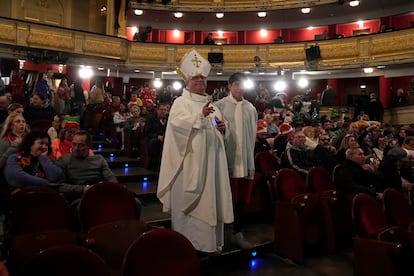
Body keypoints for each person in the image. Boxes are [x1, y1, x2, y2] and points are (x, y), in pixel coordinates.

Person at [157, 49, 233, 254]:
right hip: (189, 164)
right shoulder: (180, 103)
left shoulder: (213, 104)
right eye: (196, 77)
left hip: (212, 163)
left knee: (210, 204)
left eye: (203, 78)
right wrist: (199, 116)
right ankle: (186, 246)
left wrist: (224, 130)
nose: (200, 81)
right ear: (187, 81)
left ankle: (209, 245)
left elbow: (220, 128)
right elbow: (177, 127)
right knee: (189, 208)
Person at [215, 72, 258, 249]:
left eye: (243, 85)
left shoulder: (250, 108)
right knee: (226, 197)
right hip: (227, 159)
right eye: (237, 84)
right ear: (230, 86)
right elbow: (214, 132)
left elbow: (252, 134)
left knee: (241, 199)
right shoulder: (219, 106)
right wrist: (223, 130)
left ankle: (237, 232)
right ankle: (221, 234)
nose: (240, 88)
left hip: (245, 159)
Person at [56, 130, 117, 202]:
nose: (76, 148)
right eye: (74, 144)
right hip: (78, 198)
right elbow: (60, 186)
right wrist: (83, 189)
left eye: (81, 145)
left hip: (99, 195)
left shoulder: (99, 159)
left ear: (89, 146)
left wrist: (100, 187)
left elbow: (112, 181)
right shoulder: (64, 160)